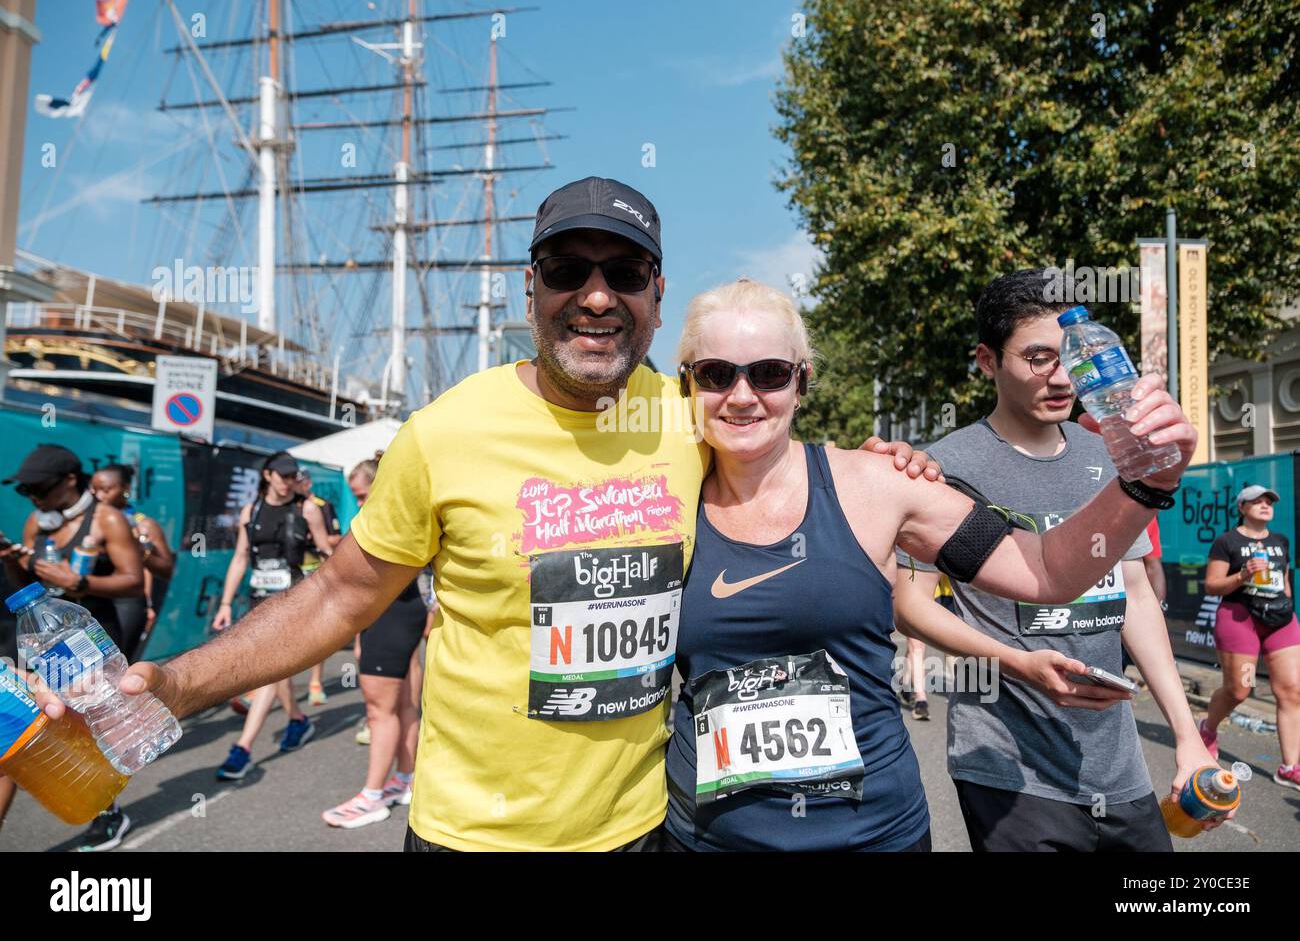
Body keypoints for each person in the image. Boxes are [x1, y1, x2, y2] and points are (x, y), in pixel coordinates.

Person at [54, 177, 933, 852]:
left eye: (622, 272)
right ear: (530, 287)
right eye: (567, 270)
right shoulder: (444, 434)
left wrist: (882, 464)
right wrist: (177, 682)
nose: (595, 295)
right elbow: (339, 598)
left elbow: (780, 451)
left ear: (657, 295)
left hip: (647, 828)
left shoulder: (689, 412)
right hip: (477, 835)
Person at [661, 278, 1198, 851]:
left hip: (875, 835)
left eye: (769, 373)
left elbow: (1044, 570)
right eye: (717, 374)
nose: (742, 396)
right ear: (686, 384)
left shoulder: (880, 484)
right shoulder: (659, 497)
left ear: (801, 383)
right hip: (710, 840)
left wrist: (1148, 483)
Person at [893, 269, 1221, 851]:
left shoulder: (1117, 453)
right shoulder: (943, 466)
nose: (1063, 377)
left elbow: (1136, 596)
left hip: (1117, 764)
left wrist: (1186, 735)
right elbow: (910, 604)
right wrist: (1015, 664)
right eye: (1039, 358)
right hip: (1007, 764)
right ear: (988, 361)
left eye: (1072, 358)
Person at [0, 444, 144, 850]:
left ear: (69, 480)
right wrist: (11, 561)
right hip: (41, 638)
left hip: (89, 636)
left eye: (39, 488)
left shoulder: (108, 520)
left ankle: (108, 809)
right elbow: (23, 587)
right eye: (24, 491)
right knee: (25, 727)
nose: (33, 498)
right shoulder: (36, 522)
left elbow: (133, 579)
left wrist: (78, 581)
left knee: (91, 720)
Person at [210, 451, 335, 780]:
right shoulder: (251, 511)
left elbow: (325, 550)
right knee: (277, 671)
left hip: (293, 600)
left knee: (268, 670)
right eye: (283, 476)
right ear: (268, 475)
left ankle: (243, 749)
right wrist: (225, 604)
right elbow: (240, 557)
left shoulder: (306, 508)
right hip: (258, 600)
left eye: (293, 476)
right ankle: (297, 719)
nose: (289, 482)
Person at [322, 455, 424, 828]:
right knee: (404, 705)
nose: (360, 503)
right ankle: (404, 779)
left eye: (363, 495)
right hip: (402, 611)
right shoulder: (405, 512)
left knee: (379, 711)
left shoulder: (386, 518)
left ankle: (372, 796)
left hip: (392, 614)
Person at [1201, 485, 1300, 789]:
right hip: (1240, 619)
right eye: (1257, 501)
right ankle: (1208, 728)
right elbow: (1212, 585)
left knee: (1292, 691)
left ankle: (1289, 767)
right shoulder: (1227, 541)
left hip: (1280, 620)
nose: (1265, 505)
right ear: (1242, 507)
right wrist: (1243, 575)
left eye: (1269, 501)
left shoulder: (1280, 541)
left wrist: (1286, 601)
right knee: (1241, 690)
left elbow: (1283, 580)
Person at [91, 464, 176, 662]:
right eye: (94, 490)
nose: (99, 496)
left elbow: (167, 569)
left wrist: (140, 551)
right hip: (92, 597)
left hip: (125, 603)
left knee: (113, 661)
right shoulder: (87, 522)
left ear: (126, 489)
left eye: (106, 490)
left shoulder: (143, 524)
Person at [295, 468, 342, 706]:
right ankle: (263, 687)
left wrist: (315, 535)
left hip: (314, 569)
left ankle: (315, 682)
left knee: (317, 628)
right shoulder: (286, 506)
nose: (298, 485)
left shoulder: (322, 505)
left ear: (308, 483)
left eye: (301, 481)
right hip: (289, 572)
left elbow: (336, 537)